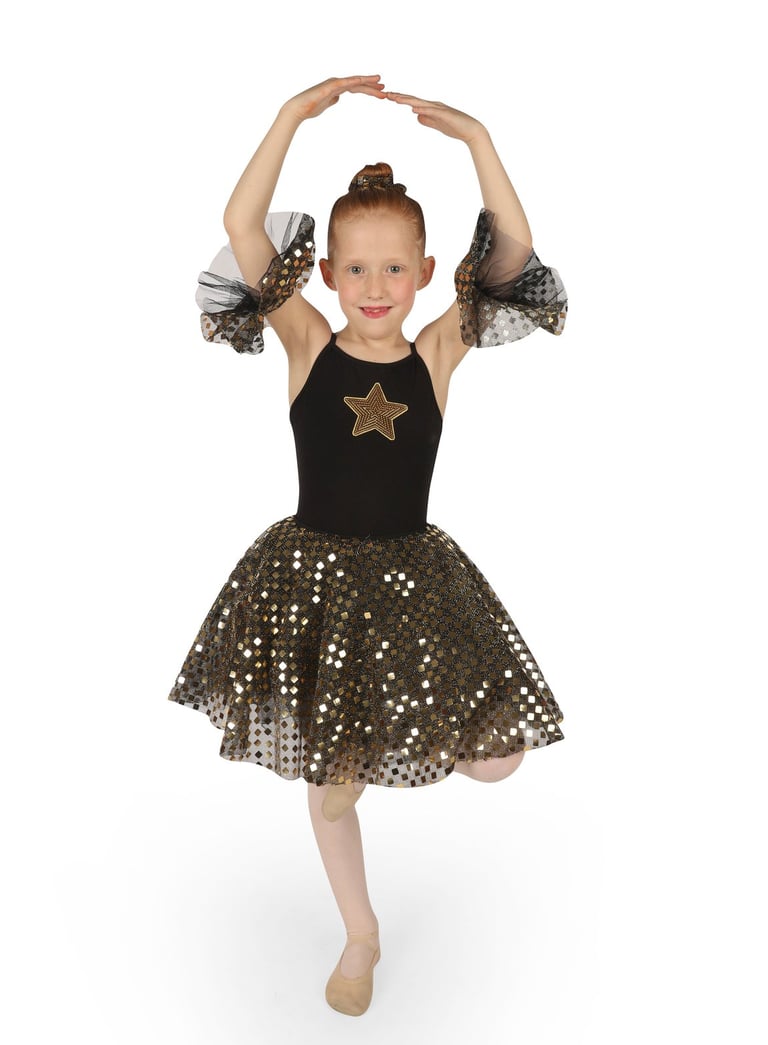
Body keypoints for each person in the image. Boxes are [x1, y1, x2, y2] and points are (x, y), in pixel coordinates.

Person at [167, 75, 568, 1017]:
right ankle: (361, 931)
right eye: (356, 269)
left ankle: (367, 752)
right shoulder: (307, 343)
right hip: (313, 578)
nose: (376, 288)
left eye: (393, 269)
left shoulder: (436, 354)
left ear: (425, 272)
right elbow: (242, 225)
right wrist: (288, 118)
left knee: (500, 758)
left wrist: (478, 139)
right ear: (324, 274)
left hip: (414, 581)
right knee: (327, 779)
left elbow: (512, 253)